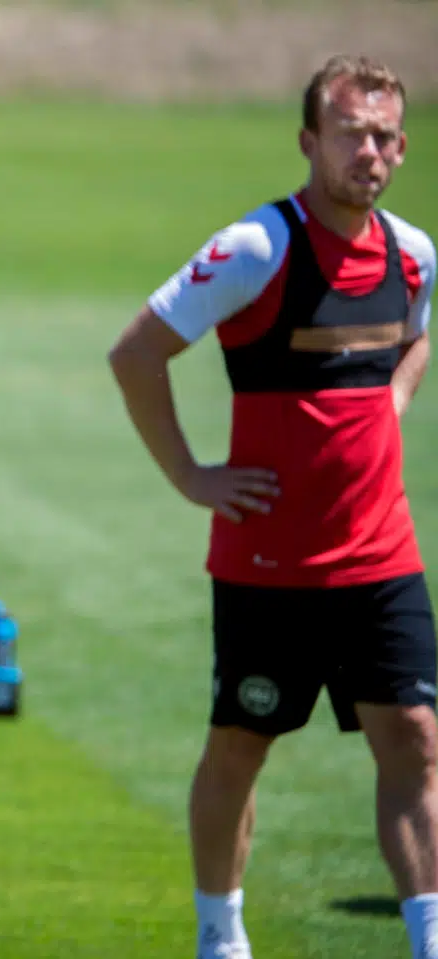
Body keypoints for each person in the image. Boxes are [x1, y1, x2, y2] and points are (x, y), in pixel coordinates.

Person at [108, 55, 437, 959]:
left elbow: (414, 342)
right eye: (348, 132)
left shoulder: (414, 255)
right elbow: (135, 353)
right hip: (266, 567)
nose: (366, 150)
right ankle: (222, 937)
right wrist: (190, 476)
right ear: (309, 141)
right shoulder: (259, 248)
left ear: (401, 147)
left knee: (414, 740)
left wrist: (392, 402)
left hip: (383, 558)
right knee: (239, 747)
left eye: (382, 135)